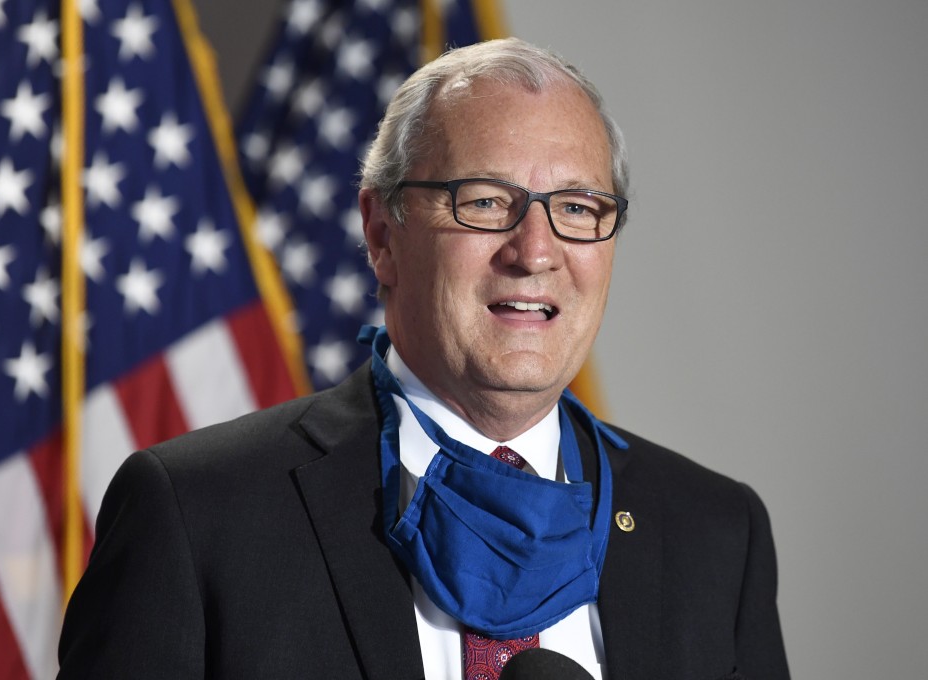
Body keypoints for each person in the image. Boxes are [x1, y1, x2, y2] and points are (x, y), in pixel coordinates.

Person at [57, 38, 790, 680]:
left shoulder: (716, 536)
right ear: (382, 235)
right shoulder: (198, 516)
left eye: (576, 208)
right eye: (485, 200)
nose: (536, 251)